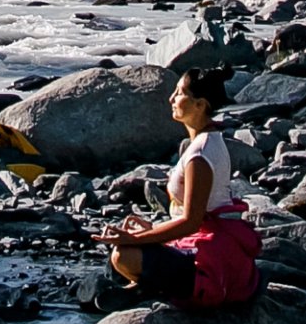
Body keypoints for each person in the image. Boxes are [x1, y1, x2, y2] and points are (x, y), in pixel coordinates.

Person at [92, 65, 261, 309]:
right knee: (117, 259)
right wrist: (152, 230)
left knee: (123, 255)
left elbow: (192, 222)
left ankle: (147, 290)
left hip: (209, 260)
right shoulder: (206, 143)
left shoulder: (200, 156)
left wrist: (136, 238)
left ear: (200, 105)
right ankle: (142, 288)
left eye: (180, 93)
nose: (171, 98)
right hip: (197, 242)